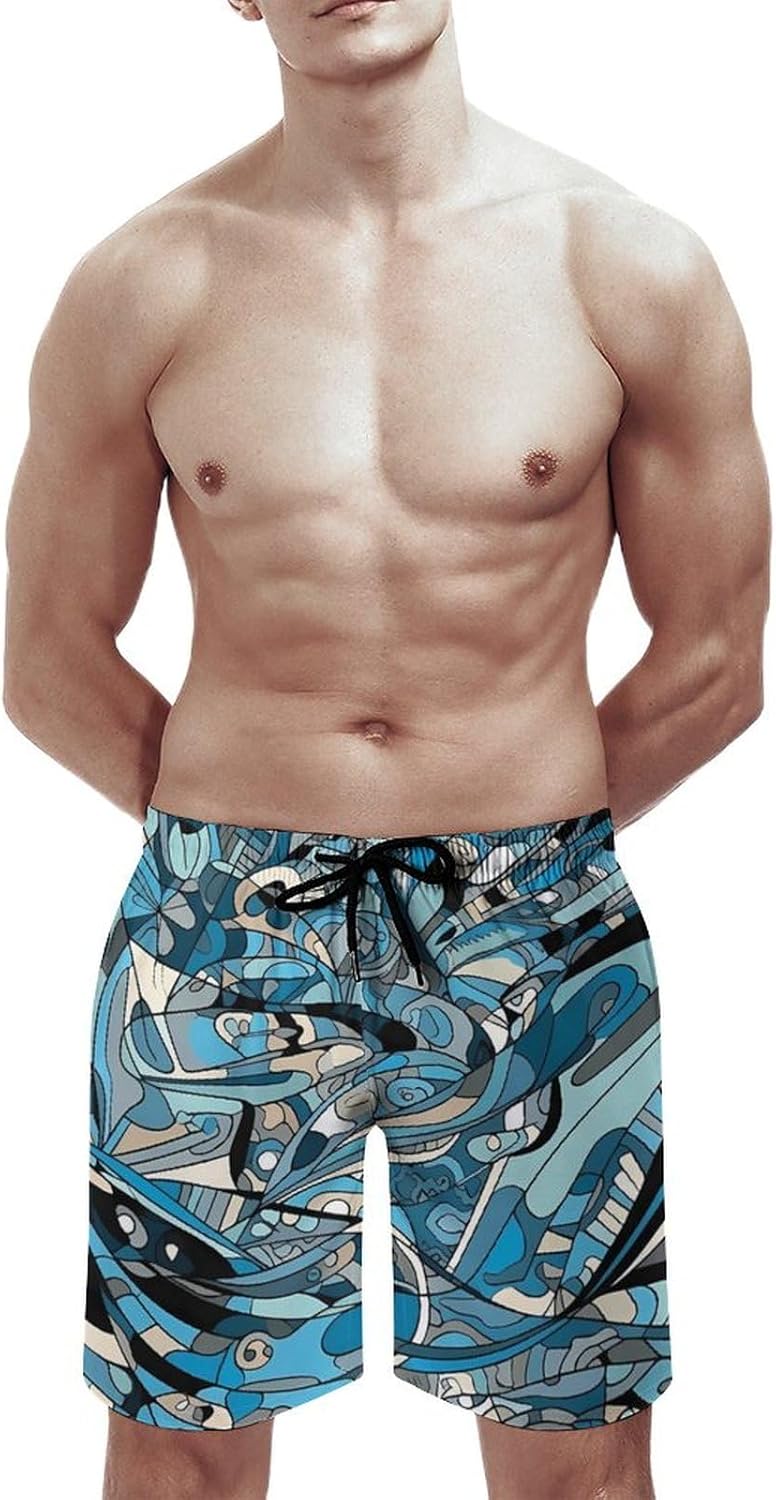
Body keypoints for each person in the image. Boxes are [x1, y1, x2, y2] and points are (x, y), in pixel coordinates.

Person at [3, 1, 770, 1497]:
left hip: (537, 930)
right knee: (179, 1451)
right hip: (218, 934)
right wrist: (236, 842)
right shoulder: (149, 282)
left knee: (576, 1457)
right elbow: (44, 657)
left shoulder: (625, 267)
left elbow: (717, 662)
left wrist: (512, 839)